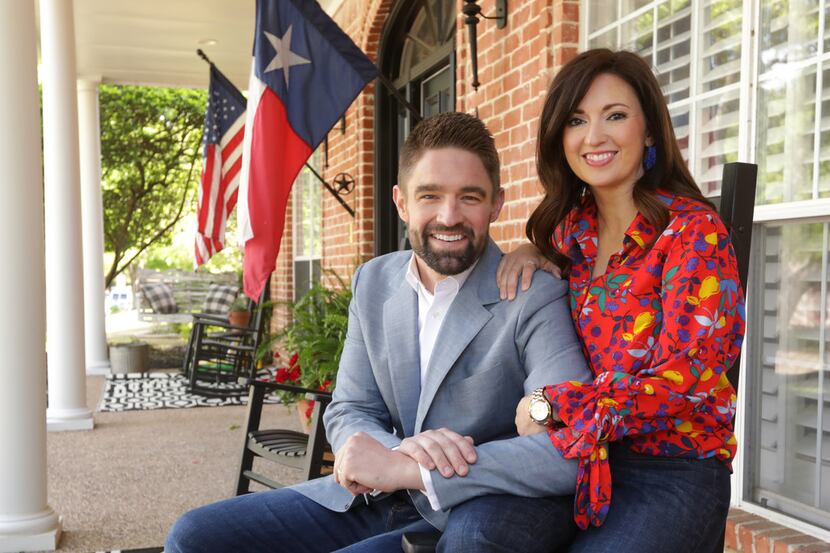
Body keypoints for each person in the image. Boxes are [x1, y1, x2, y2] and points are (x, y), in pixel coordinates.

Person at [165, 111, 591, 553]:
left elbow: (569, 446)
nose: (449, 216)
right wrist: (397, 452)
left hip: (471, 509)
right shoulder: (373, 282)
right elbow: (350, 408)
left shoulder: (531, 295)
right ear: (401, 202)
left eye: (469, 197)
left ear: (496, 204)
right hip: (371, 496)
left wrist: (419, 471)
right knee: (194, 536)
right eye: (429, 196)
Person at [498, 49, 745, 552]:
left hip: (672, 471)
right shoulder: (571, 234)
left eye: (615, 115)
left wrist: (553, 406)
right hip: (575, 462)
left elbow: (683, 380)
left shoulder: (693, 233)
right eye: (576, 120)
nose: (594, 137)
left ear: (649, 130)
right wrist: (530, 249)